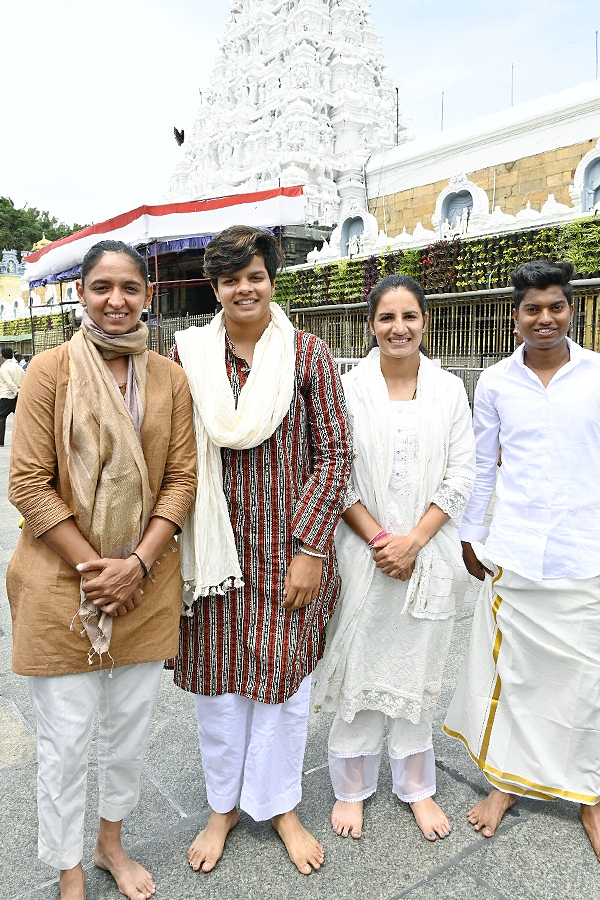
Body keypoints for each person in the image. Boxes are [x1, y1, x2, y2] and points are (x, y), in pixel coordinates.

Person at [7, 240, 197, 900]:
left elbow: (181, 480)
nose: (116, 300)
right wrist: (98, 569)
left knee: (128, 736)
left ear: (149, 296)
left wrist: (137, 564)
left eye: (129, 288)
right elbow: (28, 484)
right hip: (64, 584)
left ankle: (110, 843)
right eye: (101, 287)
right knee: (63, 743)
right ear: (81, 294)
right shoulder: (50, 371)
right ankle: (67, 867)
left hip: (144, 583)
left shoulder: (169, 378)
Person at [171, 225, 352, 875]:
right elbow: (166, 452)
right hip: (210, 559)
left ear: (272, 279)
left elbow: (334, 455)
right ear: (214, 287)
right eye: (230, 279)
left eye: (255, 275)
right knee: (218, 688)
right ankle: (222, 807)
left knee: (283, 686)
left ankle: (279, 806)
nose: (244, 288)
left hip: (287, 549)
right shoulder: (186, 357)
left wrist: (310, 548)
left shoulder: (307, 354)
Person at [444, 259, 600, 860]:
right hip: (515, 550)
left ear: (570, 310)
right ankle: (505, 784)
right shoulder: (495, 383)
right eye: (532, 308)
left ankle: (590, 796)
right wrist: (469, 536)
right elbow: (484, 468)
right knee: (515, 680)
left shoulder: (595, 374)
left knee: (587, 682)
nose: (544, 318)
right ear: (515, 317)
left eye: (555, 306)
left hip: (585, 552)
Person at [312, 274, 476, 842]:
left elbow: (462, 475)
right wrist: (384, 541)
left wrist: (415, 540)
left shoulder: (450, 390)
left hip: (429, 554)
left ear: (425, 322)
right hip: (363, 554)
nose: (398, 327)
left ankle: (417, 788)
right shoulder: (347, 387)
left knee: (417, 668)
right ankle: (351, 789)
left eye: (409, 316)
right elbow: (336, 468)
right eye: (387, 318)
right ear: (371, 324)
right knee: (360, 665)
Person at [0, 346, 24, 445]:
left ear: (2, 356)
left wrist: (16, 391)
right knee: (20, 418)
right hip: (19, 395)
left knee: (1, 417)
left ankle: (0, 441)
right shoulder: (18, 367)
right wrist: (20, 391)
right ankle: (22, 441)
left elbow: (9, 382)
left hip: (8, 396)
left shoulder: (4, 367)